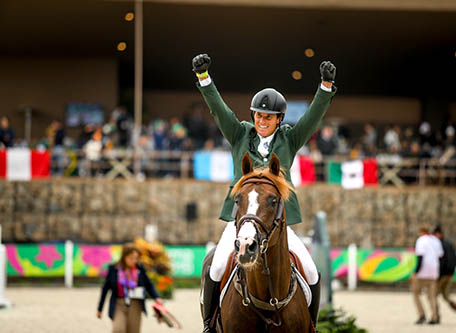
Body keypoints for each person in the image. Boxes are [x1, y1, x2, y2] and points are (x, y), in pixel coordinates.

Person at [192, 53, 337, 332]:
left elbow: (313, 116)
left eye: (268, 117)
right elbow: (218, 109)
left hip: (277, 222)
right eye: (259, 115)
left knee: (311, 272)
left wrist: (325, 87)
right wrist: (204, 79)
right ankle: (209, 326)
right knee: (216, 265)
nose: (262, 120)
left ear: (279, 119)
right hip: (242, 221)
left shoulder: (290, 139)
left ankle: (312, 326)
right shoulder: (239, 135)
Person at [97, 243, 163, 333]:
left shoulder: (140, 269)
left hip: (135, 305)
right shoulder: (114, 269)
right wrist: (100, 309)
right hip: (118, 304)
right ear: (124, 257)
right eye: (131, 258)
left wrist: (157, 297)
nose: (134, 261)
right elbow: (105, 289)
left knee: (133, 331)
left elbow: (148, 284)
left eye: (136, 258)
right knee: (118, 329)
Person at [433, 225, 456, 324]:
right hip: (450, 275)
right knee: (446, 297)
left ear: (438, 234)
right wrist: (452, 272)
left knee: (433, 296)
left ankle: (436, 317)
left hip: (443, 275)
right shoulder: (449, 244)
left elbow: (442, 261)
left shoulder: (439, 245)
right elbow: (455, 258)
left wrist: (438, 275)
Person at [411, 225, 443, 325]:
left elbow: (420, 257)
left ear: (421, 232)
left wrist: (415, 272)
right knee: (432, 296)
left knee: (415, 293)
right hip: (434, 271)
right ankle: (435, 316)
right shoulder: (435, 240)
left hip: (423, 272)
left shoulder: (421, 240)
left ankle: (422, 315)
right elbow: (440, 256)